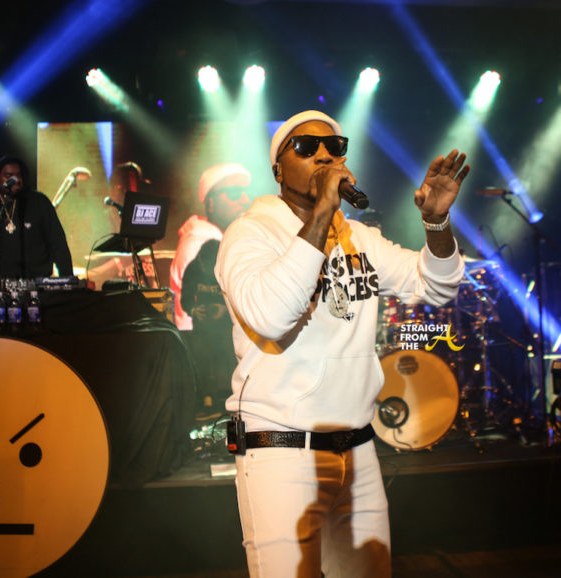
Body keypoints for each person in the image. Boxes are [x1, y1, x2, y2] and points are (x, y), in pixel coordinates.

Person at [214, 110, 469, 578]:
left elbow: (436, 286)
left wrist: (436, 223)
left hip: (358, 448)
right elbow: (271, 317)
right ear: (278, 169)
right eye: (306, 147)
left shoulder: (360, 238)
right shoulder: (249, 234)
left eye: (334, 146)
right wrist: (321, 216)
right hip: (281, 450)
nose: (324, 155)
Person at [170, 163, 252, 330]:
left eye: (246, 192)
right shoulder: (199, 245)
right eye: (235, 193)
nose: (245, 200)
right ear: (211, 202)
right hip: (204, 342)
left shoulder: (223, 238)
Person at [0, 155, 73, 279]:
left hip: (36, 284)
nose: (16, 179)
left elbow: (58, 243)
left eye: (18, 175)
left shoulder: (39, 202)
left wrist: (68, 280)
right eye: (8, 175)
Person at [180, 239, 235, 415]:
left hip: (226, 327)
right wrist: (194, 310)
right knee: (200, 356)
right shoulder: (193, 269)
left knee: (231, 356)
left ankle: (233, 398)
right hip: (202, 327)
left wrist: (224, 309)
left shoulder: (228, 267)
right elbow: (185, 299)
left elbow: (238, 297)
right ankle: (207, 399)